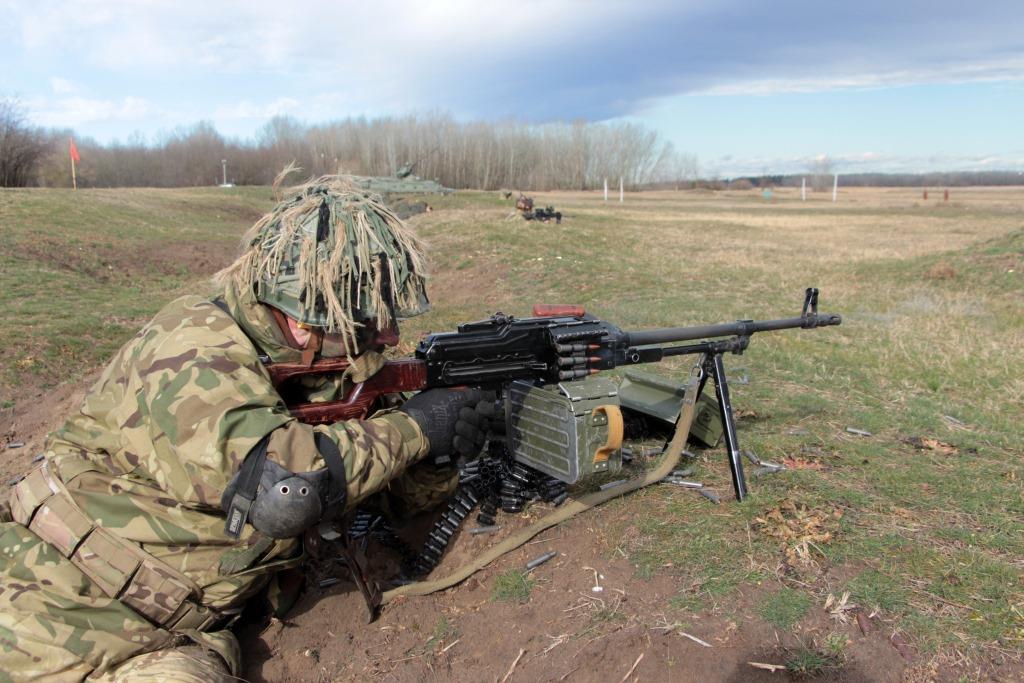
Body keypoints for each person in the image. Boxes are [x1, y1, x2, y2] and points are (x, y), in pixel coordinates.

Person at [0, 175, 481, 681]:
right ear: (302, 317)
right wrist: (416, 429)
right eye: (367, 317)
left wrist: (443, 449)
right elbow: (284, 492)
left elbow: (393, 498)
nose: (390, 334)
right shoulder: (191, 344)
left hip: (170, 637)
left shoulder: (330, 367)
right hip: (41, 606)